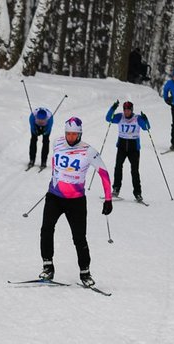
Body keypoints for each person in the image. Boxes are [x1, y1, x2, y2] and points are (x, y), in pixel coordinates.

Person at [38, 117, 113, 288]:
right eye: (68, 134)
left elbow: (104, 173)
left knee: (79, 237)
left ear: (80, 134)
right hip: (54, 197)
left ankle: (85, 272)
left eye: (74, 134)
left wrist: (108, 199)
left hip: (76, 201)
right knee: (46, 229)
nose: (70, 137)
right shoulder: (57, 143)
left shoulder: (89, 151)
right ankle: (47, 266)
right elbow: (55, 164)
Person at [105, 100, 150, 202]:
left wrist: (145, 119)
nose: (126, 112)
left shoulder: (137, 118)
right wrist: (113, 108)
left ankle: (138, 193)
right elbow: (108, 118)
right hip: (121, 146)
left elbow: (146, 128)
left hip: (134, 148)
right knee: (118, 167)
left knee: (134, 171)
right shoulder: (120, 117)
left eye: (128, 110)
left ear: (132, 110)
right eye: (125, 110)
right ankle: (116, 189)